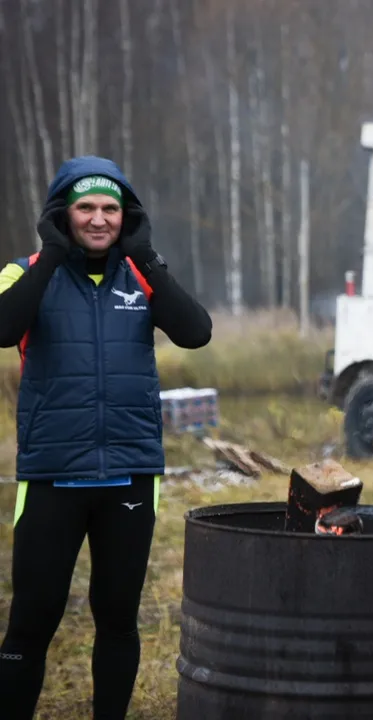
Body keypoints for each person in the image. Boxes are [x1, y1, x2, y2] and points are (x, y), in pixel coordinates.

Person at [0, 156, 212, 719]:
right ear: (61, 214)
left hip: (129, 474)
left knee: (117, 618)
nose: (98, 219)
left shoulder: (141, 275)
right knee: (31, 620)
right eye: (85, 207)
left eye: (111, 209)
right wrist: (49, 257)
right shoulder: (24, 271)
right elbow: (2, 327)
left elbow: (196, 332)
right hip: (50, 476)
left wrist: (145, 255)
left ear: (128, 215)